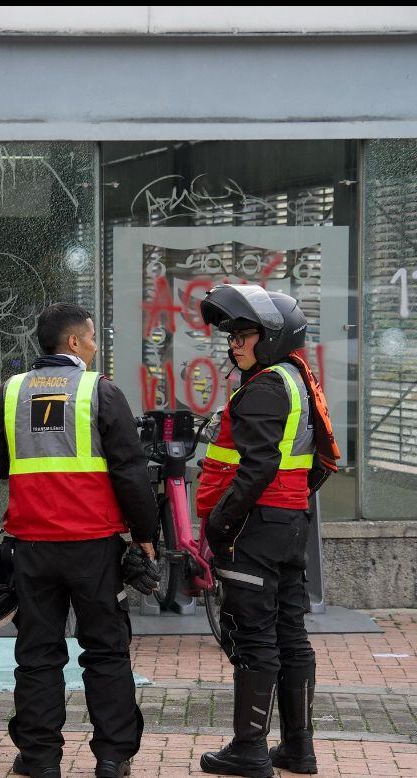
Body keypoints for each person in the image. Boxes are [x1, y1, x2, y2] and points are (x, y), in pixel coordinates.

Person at [0, 302, 158, 778]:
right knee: (105, 649)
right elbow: (131, 471)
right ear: (75, 343)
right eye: (94, 338)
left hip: (32, 546)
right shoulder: (100, 391)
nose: (96, 347)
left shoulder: (9, 392)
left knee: (37, 652)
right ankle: (112, 757)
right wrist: (145, 536)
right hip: (93, 546)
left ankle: (39, 759)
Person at [198, 284, 336, 778]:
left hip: (256, 529)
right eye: (232, 334)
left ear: (273, 337)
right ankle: (298, 750)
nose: (233, 343)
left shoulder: (262, 388)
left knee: (252, 637)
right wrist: (291, 509)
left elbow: (255, 469)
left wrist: (220, 525)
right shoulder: (297, 379)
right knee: (291, 635)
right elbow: (316, 461)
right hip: (290, 523)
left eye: (244, 333)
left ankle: (249, 751)